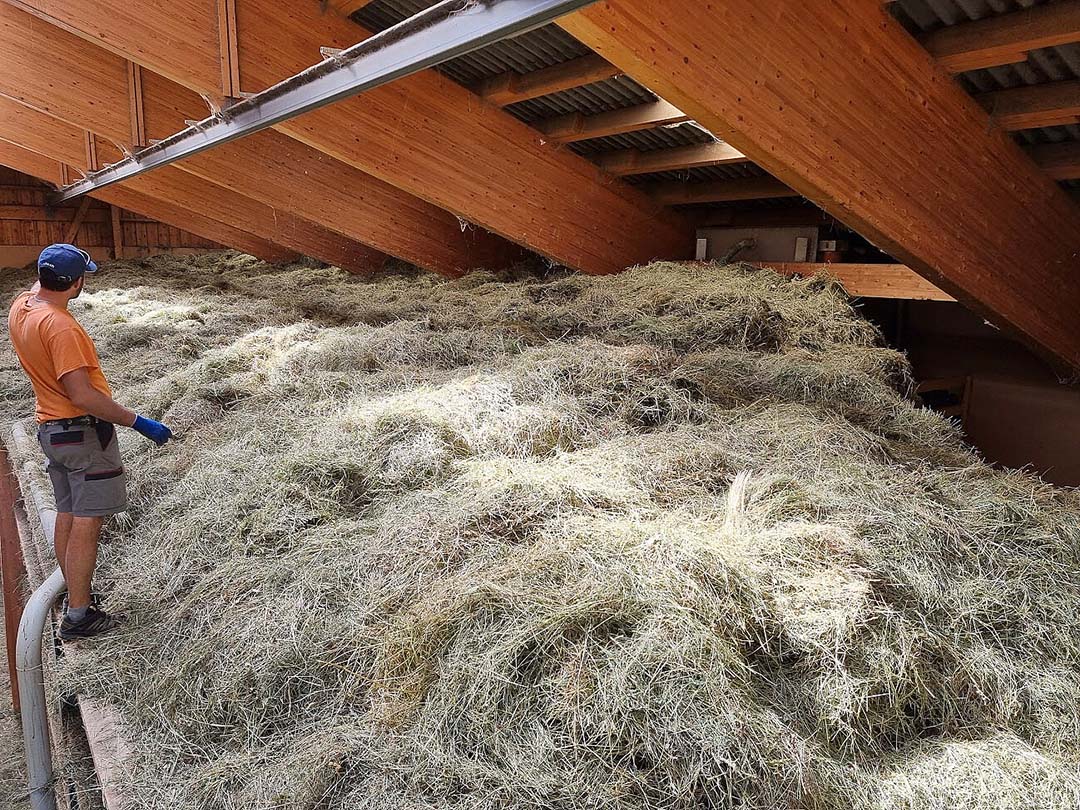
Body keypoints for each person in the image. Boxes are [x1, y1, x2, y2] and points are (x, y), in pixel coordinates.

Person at [7, 244, 173, 640]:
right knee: (87, 521)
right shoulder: (62, 328)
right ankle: (80, 615)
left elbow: (42, 281)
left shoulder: (22, 306)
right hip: (81, 432)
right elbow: (82, 394)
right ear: (76, 283)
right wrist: (138, 421)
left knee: (68, 511)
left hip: (51, 431)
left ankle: (74, 594)